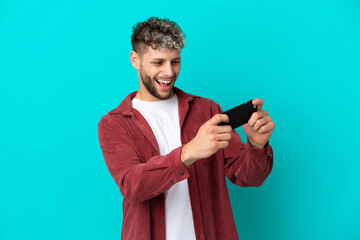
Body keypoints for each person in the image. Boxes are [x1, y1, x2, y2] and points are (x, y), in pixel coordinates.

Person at [98, 17, 275, 240]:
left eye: (175, 62)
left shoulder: (207, 110)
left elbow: (249, 177)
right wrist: (189, 151)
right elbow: (133, 186)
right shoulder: (114, 124)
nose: (169, 72)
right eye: (158, 62)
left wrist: (257, 146)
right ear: (135, 59)